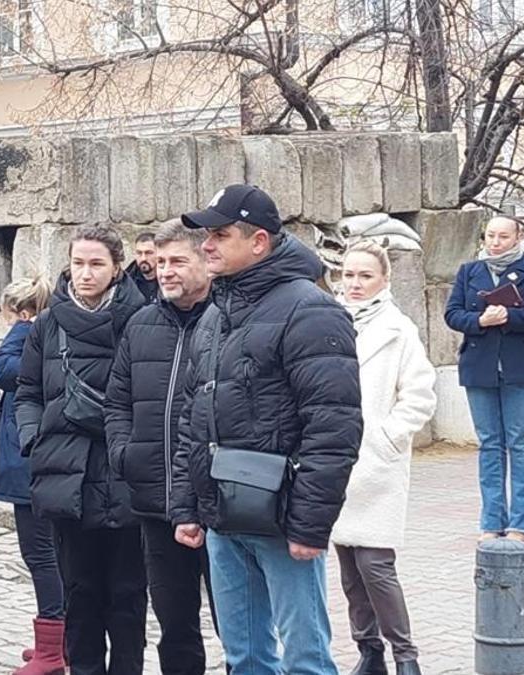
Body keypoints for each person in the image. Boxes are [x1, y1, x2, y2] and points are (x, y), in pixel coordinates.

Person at [172, 184, 362, 674]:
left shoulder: (310, 309)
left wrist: (311, 524)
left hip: (282, 518)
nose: (206, 245)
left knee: (306, 661)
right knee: (245, 658)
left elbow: (333, 425)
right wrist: (189, 506)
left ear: (258, 241)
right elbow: (194, 416)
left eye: (219, 234)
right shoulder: (215, 315)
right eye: (205, 235)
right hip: (223, 515)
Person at [16, 226, 151, 674]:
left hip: (121, 472)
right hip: (66, 472)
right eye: (78, 263)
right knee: (80, 595)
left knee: (128, 598)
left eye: (96, 264)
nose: (85, 273)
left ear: (116, 268)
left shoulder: (143, 319)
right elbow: (28, 389)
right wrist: (33, 438)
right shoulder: (49, 325)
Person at [106, 220, 212, 675]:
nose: (164, 271)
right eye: (161, 261)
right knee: (175, 624)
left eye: (177, 261)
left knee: (237, 624)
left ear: (206, 263)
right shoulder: (140, 324)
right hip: (155, 502)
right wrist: (124, 454)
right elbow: (116, 401)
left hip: (216, 504)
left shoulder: (225, 322)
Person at [332, 241, 436, 675]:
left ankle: (405, 654)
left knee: (376, 566)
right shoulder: (329, 319)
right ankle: (368, 650)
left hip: (377, 463)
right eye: (349, 275)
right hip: (336, 459)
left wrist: (389, 437)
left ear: (384, 280)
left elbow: (420, 394)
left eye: (365, 276)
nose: (354, 284)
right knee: (350, 569)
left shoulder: (399, 329)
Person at [0, 276, 66, 675]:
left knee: (40, 556)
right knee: (50, 555)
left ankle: (53, 649)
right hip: (37, 465)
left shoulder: (28, 333)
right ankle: (56, 640)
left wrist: (21, 328)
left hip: (30, 468)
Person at [445, 216, 524, 542]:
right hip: (479, 369)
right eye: (491, 235)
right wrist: (480, 319)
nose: (495, 242)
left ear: (518, 237)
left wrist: (511, 316)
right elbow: (452, 314)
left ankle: (522, 524)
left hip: (521, 369)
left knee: (522, 445)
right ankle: (491, 520)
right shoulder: (470, 271)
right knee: (490, 446)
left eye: (503, 236)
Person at [128, 232, 159, 301]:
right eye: (139, 253)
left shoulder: (169, 279)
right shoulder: (126, 282)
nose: (143, 258)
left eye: (149, 253)